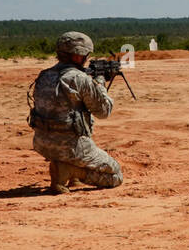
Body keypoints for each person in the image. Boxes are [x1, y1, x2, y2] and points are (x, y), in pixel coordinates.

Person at [28, 31, 124, 193]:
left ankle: (67, 171)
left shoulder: (44, 75)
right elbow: (103, 111)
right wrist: (100, 82)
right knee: (115, 175)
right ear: (78, 56)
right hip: (70, 147)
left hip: (43, 144)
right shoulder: (79, 78)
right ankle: (71, 171)